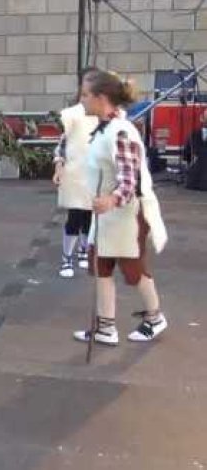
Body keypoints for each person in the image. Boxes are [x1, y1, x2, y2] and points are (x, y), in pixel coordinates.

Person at [73, 70, 169, 345]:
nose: (81, 100)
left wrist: (111, 200)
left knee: (133, 269)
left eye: (85, 95)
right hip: (108, 216)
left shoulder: (120, 131)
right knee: (101, 267)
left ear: (101, 98)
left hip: (127, 214)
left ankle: (155, 318)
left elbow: (130, 180)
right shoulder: (106, 129)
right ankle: (106, 327)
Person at [53, 73, 100, 278]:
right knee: (74, 217)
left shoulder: (103, 114)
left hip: (95, 174)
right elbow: (62, 143)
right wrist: (58, 166)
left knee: (90, 216)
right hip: (75, 174)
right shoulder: (71, 114)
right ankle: (66, 258)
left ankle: (83, 250)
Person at [184, 110, 207, 191]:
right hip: (198, 165)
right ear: (202, 119)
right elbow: (188, 151)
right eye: (206, 117)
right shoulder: (194, 134)